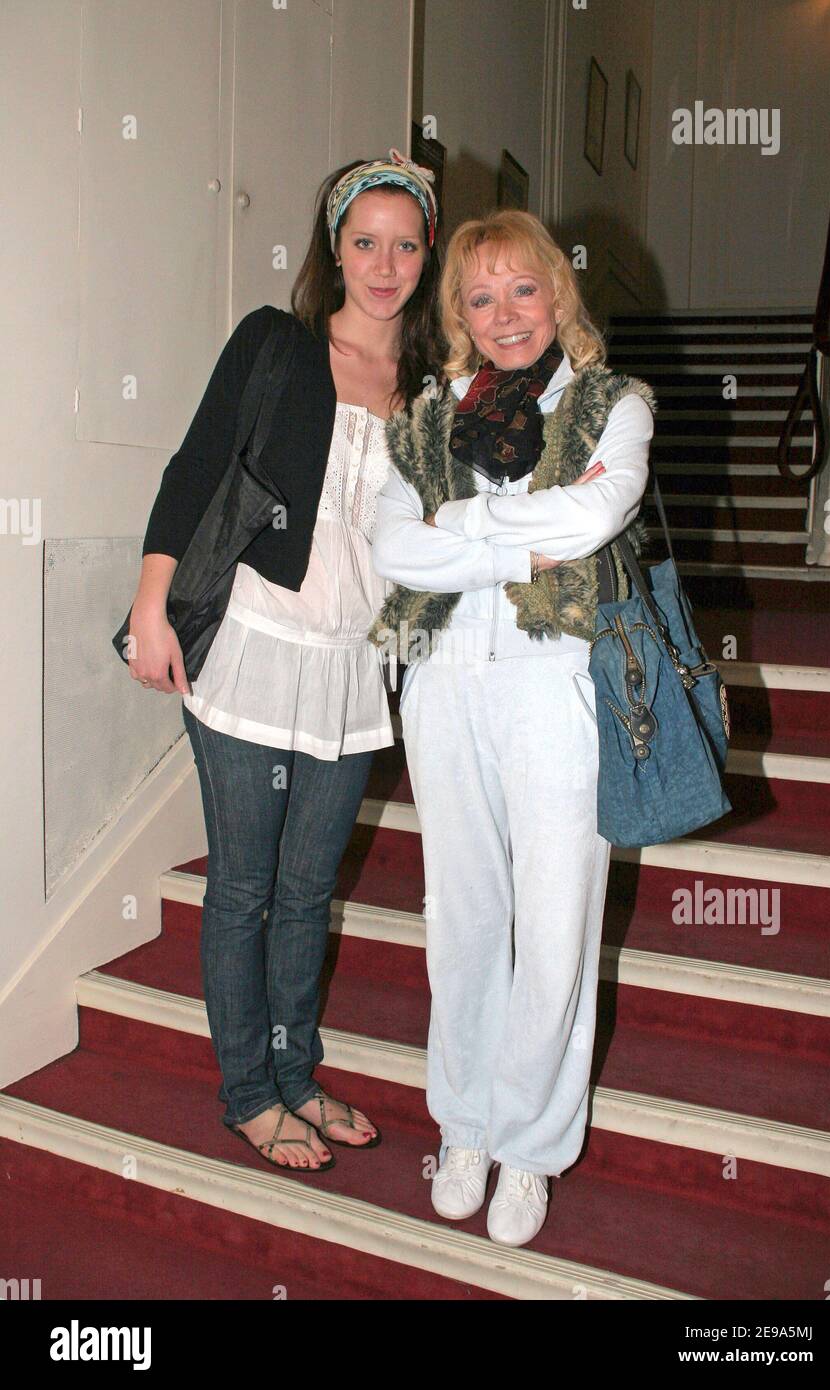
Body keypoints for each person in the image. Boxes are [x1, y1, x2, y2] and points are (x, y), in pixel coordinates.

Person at [127, 150, 442, 1172]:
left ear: (426, 253)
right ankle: (249, 1094)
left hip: (356, 665)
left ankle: (295, 1072)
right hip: (252, 648)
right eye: (363, 241)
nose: (382, 263)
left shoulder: (434, 386)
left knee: (310, 893)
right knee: (245, 887)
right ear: (333, 248)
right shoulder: (277, 344)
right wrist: (149, 603)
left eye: (403, 243)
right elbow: (196, 463)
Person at [370, 209, 655, 1245]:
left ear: (557, 293)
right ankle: (466, 1125)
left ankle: (531, 1146)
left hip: (557, 685)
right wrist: (500, 544)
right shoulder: (422, 416)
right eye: (479, 297)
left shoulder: (610, 402)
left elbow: (593, 515)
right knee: (460, 920)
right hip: (442, 680)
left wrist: (460, 526)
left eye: (521, 290)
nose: (503, 315)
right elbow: (393, 546)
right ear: (456, 312)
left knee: (554, 920)